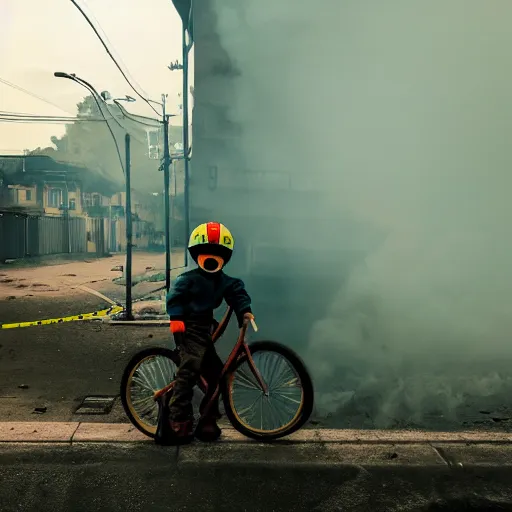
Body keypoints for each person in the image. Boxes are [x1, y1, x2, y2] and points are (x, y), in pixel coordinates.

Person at [156, 221, 254, 445]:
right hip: (189, 328)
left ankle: (208, 419)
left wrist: (245, 310)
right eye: (204, 253)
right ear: (196, 255)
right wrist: (176, 319)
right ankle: (177, 419)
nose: (210, 258)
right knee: (189, 371)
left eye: (217, 254)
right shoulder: (187, 279)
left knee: (217, 375)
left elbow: (237, 291)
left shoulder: (224, 281)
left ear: (225, 257)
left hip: (205, 328)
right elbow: (174, 298)